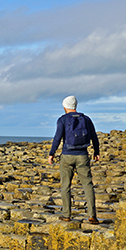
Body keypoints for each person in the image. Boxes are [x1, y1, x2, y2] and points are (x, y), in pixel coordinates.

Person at [48, 95, 101, 224]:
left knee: (66, 186)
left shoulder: (62, 120)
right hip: (82, 155)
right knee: (88, 185)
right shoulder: (86, 119)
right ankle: (92, 215)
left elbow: (57, 138)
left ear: (65, 106)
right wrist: (96, 152)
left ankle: (66, 215)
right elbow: (94, 136)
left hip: (67, 155)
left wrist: (52, 153)